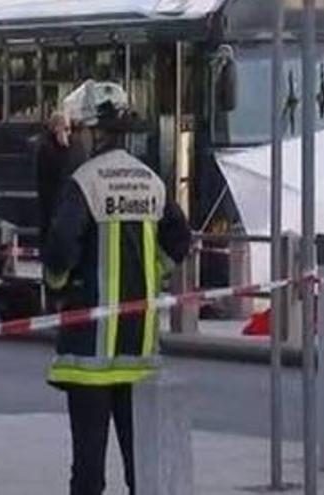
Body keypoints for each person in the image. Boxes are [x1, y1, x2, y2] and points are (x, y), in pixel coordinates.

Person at [43, 80, 192, 495]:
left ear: (91, 131)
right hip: (139, 351)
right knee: (141, 466)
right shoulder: (151, 181)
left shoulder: (84, 182)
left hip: (90, 355)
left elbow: (58, 251)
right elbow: (180, 239)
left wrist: (60, 285)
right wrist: (154, 274)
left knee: (88, 470)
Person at [35, 111, 88, 246]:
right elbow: (55, 173)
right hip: (52, 204)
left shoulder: (76, 146)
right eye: (65, 128)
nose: (68, 133)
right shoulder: (46, 147)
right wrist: (63, 149)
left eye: (69, 129)